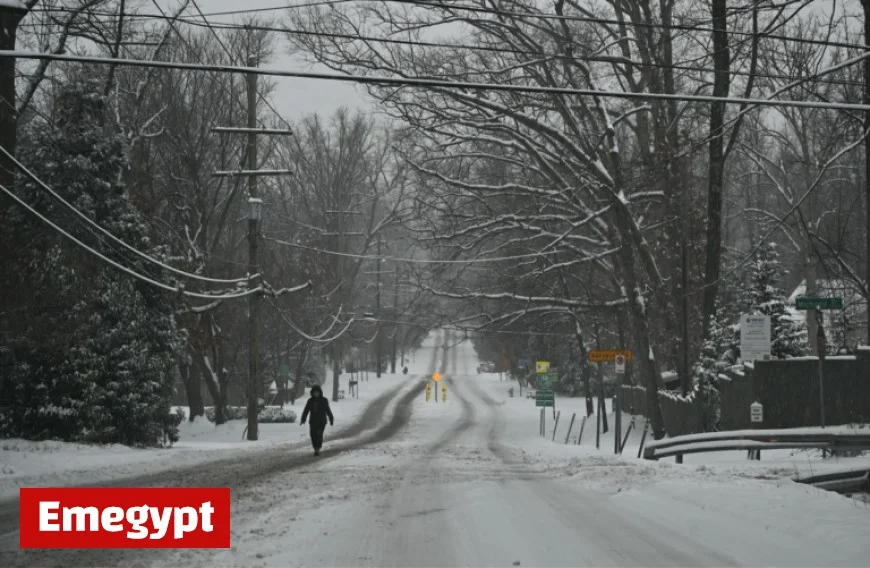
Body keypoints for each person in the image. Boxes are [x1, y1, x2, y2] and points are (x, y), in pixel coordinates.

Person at [299, 385, 333, 456]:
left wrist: (331, 418)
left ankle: (317, 449)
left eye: (317, 392)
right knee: (313, 435)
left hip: (321, 421)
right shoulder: (310, 401)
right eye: (314, 393)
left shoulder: (324, 400)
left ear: (320, 393)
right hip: (313, 421)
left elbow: (328, 410)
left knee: (319, 434)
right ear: (312, 393)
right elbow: (306, 410)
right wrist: (303, 419)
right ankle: (315, 447)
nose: (316, 394)